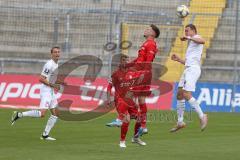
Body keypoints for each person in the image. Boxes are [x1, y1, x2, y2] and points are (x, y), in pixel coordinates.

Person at [11, 46, 65, 140]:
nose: (57, 54)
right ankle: (19, 114)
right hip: (46, 91)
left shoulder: (56, 64)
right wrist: (53, 85)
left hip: (51, 91)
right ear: (51, 54)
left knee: (55, 113)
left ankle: (45, 135)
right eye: (55, 52)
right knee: (42, 114)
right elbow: (41, 78)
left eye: (58, 52)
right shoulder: (49, 64)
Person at [170, 24, 208, 132]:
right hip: (188, 68)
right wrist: (178, 59)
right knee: (179, 94)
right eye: (185, 31)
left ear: (193, 30)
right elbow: (188, 62)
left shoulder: (196, 38)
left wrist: (188, 37)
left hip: (193, 70)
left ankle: (202, 116)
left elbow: (202, 41)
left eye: (187, 31)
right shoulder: (191, 42)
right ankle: (180, 122)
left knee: (186, 94)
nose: (185, 33)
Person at [107, 54, 147, 148]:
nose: (126, 62)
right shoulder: (116, 74)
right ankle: (122, 141)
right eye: (124, 60)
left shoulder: (131, 72)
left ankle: (135, 138)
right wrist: (109, 98)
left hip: (130, 100)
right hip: (120, 100)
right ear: (120, 62)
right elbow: (109, 87)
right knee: (127, 119)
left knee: (139, 119)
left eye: (127, 60)